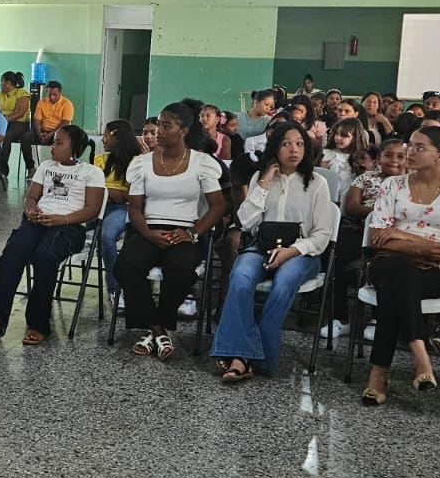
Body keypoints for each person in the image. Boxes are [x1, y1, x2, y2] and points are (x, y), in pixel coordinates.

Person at [209, 120, 334, 383]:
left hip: (303, 252)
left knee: (285, 280)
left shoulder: (317, 183)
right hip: (261, 246)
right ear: (275, 148)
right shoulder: (260, 178)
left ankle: (248, 356)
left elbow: (322, 234)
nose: (294, 150)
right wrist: (264, 184)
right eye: (286, 144)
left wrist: (293, 250)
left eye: (299, 144)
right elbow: (246, 222)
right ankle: (245, 355)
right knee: (240, 276)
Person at [361, 126, 440, 405]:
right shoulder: (393, 185)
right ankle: (420, 353)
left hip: (430, 273)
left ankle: (378, 374)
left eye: (419, 147)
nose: (410, 152)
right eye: (409, 145)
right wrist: (424, 246)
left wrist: (400, 235)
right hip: (385, 263)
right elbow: (377, 239)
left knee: (396, 287)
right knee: (398, 268)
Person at [116, 100, 227, 361]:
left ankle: (154, 329)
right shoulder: (142, 163)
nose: (159, 132)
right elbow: (135, 209)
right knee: (125, 265)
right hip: (149, 229)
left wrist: (193, 233)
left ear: (184, 130)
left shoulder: (201, 163)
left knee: (182, 268)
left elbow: (218, 206)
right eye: (158, 126)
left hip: (185, 231)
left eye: (167, 127)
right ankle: (158, 329)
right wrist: (148, 233)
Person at [0, 124, 106, 345]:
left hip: (70, 226)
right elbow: (31, 198)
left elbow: (92, 210)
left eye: (59, 143)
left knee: (44, 256)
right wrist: (31, 212)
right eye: (54, 142)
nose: (52, 147)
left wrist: (62, 219)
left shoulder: (91, 172)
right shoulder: (46, 166)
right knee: (12, 254)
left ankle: (38, 325)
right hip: (38, 221)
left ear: (74, 149)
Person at [324, 137, 406, 341]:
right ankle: (340, 318)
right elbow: (352, 206)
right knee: (336, 254)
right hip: (360, 229)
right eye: (388, 155)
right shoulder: (366, 178)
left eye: (400, 156)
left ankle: (378, 319)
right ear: (378, 158)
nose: (394, 160)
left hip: (394, 235)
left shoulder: (410, 183)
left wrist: (383, 220)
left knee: (385, 262)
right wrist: (379, 215)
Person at [94, 120, 140, 297]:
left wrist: (106, 191)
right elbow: (91, 189)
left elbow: (133, 194)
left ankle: (114, 289)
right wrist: (110, 192)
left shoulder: (137, 162)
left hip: (121, 209)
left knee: (107, 237)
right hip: (96, 206)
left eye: (106, 135)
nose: (103, 139)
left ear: (116, 136)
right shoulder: (100, 159)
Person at [23, 81, 75, 174]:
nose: (52, 97)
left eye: (54, 94)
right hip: (42, 131)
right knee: (25, 138)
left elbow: (65, 123)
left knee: (62, 143)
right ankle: (31, 168)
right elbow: (37, 120)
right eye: (50, 94)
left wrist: (51, 134)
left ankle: (58, 170)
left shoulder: (67, 104)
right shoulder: (41, 102)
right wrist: (39, 133)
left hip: (58, 132)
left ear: (60, 92)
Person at [0, 72, 31, 175]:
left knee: (5, 136)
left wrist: (5, 120)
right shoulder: (0, 94)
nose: (0, 84)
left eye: (2, 82)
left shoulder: (21, 93)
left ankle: (2, 168)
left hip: (19, 124)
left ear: (8, 83)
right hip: (4, 122)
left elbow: (21, 112)